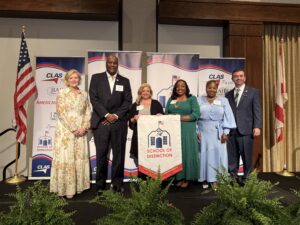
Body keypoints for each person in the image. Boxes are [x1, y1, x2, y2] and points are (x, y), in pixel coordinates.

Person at [89, 55, 132, 194]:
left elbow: (127, 101)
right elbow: (94, 99)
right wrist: (107, 115)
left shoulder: (125, 81)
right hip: (102, 122)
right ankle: (100, 185)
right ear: (106, 64)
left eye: (115, 63)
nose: (112, 65)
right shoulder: (96, 78)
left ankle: (117, 184)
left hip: (119, 123)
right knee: (101, 154)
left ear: (118, 64)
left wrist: (115, 115)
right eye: (110, 62)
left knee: (118, 155)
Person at [50, 69, 91, 199]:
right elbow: (61, 112)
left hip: (81, 132)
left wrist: (84, 128)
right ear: (67, 80)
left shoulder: (84, 94)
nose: (74, 80)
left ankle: (79, 187)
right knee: (66, 157)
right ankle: (65, 189)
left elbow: (88, 112)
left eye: (76, 78)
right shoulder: (62, 93)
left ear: (79, 79)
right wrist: (74, 129)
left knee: (78, 158)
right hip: (65, 132)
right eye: (71, 78)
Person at [197, 80, 236, 189]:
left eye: (214, 88)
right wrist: (196, 131)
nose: (212, 90)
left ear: (217, 89)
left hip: (218, 134)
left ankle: (215, 179)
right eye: (209, 87)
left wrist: (226, 132)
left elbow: (228, 117)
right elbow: (194, 116)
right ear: (206, 88)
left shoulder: (224, 100)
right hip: (203, 132)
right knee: (203, 155)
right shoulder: (198, 100)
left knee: (217, 156)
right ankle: (204, 178)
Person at [225, 68, 262, 182]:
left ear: (244, 78)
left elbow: (257, 110)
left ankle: (247, 177)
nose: (238, 78)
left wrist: (257, 126)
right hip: (231, 131)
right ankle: (233, 177)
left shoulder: (253, 92)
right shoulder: (228, 94)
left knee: (246, 155)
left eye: (241, 76)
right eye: (236, 76)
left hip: (246, 130)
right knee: (232, 156)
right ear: (232, 78)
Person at [165, 79, 200, 188]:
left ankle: (187, 178)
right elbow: (166, 113)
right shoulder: (171, 99)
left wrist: (178, 118)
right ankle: (178, 178)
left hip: (188, 131)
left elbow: (196, 114)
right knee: (176, 154)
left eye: (182, 86)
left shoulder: (192, 99)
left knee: (187, 153)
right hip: (173, 131)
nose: (180, 88)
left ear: (186, 88)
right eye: (178, 86)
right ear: (175, 88)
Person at [128, 83, 164, 171]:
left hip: (153, 136)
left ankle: (153, 181)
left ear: (150, 92)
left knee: (153, 158)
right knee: (140, 159)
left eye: (147, 91)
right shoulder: (135, 104)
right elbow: (130, 120)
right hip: (139, 136)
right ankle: (142, 180)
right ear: (140, 92)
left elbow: (163, 119)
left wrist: (161, 116)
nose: (145, 92)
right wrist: (133, 119)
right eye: (143, 91)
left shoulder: (156, 103)